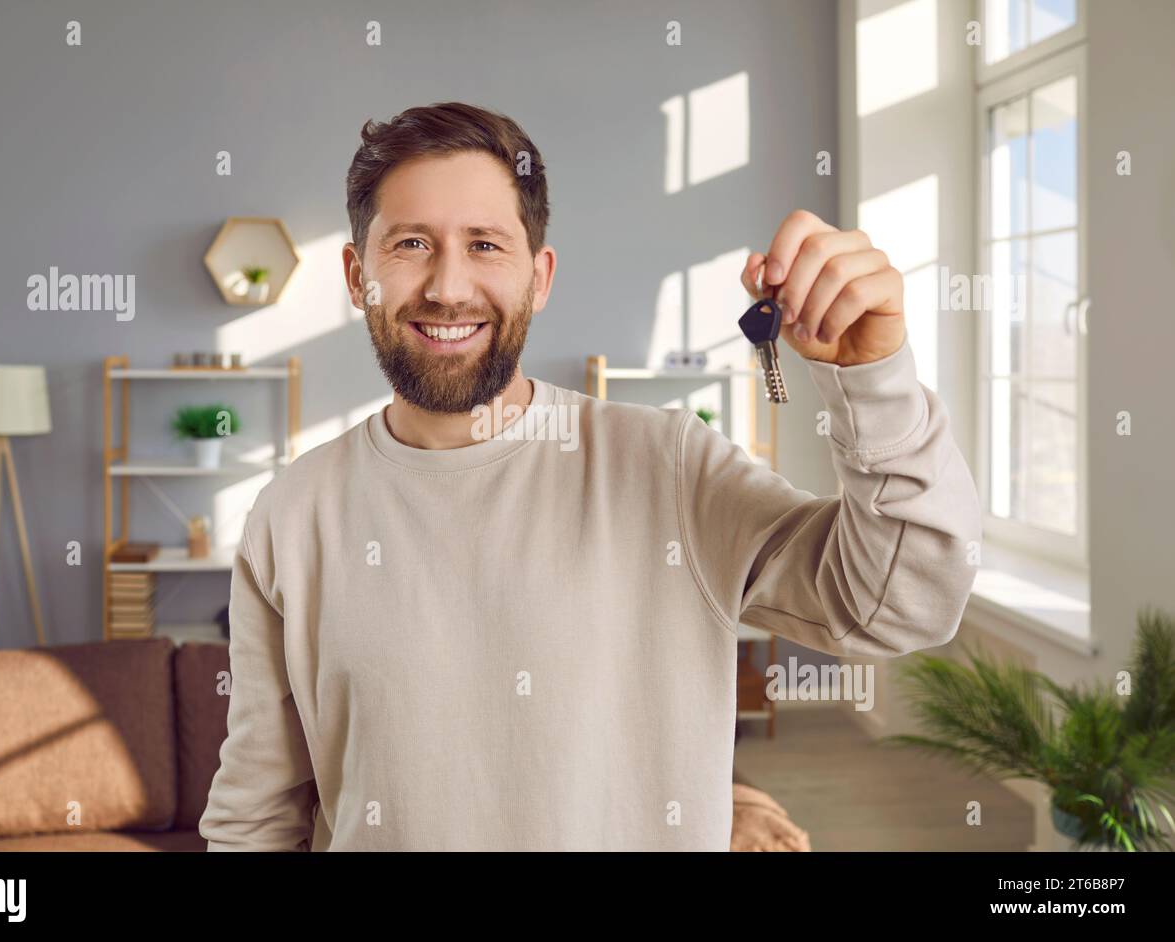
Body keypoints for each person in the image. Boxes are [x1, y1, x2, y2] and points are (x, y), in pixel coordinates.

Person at [198, 101, 980, 851]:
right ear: (355, 273)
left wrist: (878, 382)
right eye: (408, 245)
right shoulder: (290, 515)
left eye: (485, 244)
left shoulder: (668, 468)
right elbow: (256, 818)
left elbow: (896, 606)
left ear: (539, 277)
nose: (446, 286)